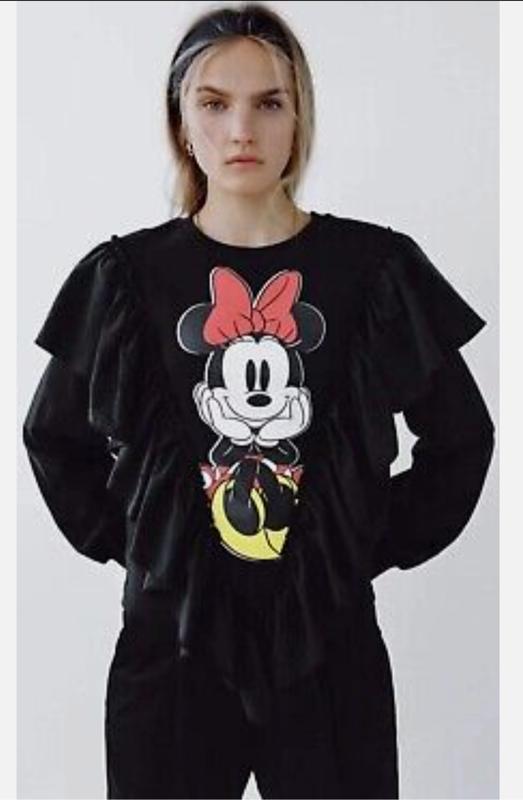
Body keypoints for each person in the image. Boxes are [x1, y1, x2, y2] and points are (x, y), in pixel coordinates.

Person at [22, 3, 496, 799]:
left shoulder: (375, 270)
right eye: (214, 102)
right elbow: (53, 438)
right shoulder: (124, 279)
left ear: (298, 115)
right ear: (181, 121)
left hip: (328, 652)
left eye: (268, 102)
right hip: (171, 654)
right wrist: (143, 544)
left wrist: (362, 538)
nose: (241, 129)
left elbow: (460, 440)